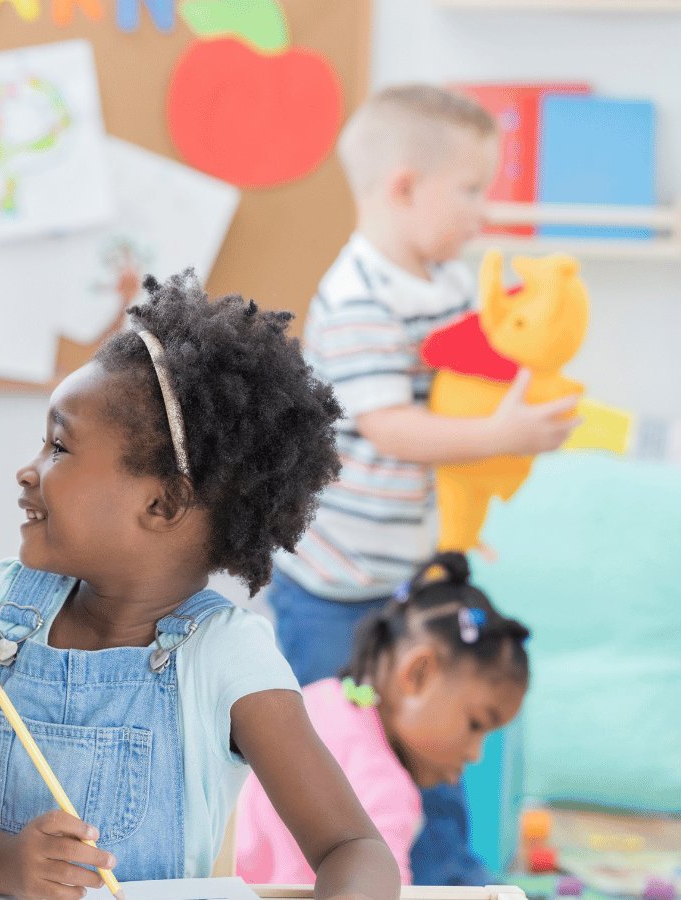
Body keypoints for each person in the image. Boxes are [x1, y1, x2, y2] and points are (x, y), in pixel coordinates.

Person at [0, 274, 401, 900]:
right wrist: (0, 863)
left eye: (58, 447)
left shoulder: (227, 658)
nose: (27, 470)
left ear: (162, 504)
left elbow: (355, 848)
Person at [268, 83, 573, 885]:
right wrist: (502, 434)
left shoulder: (449, 284)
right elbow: (394, 426)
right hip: (332, 587)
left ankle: (449, 876)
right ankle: (315, 875)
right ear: (403, 187)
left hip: (403, 577)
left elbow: (464, 391)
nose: (484, 212)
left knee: (431, 741)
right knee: (330, 753)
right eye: (471, 190)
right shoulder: (357, 295)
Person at [238, 553, 530, 885]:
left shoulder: (324, 696)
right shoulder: (386, 789)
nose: (476, 753)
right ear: (418, 673)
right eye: (475, 724)